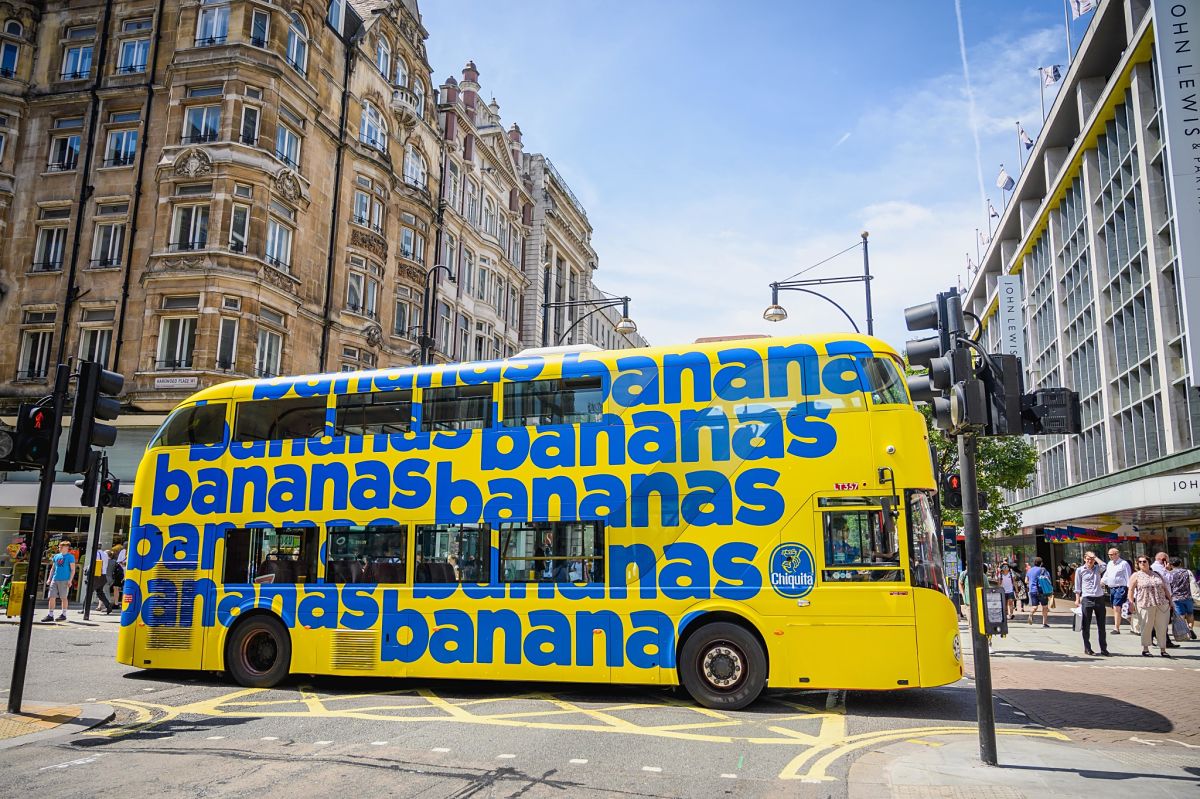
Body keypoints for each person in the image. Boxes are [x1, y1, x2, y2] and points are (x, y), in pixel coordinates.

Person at [1129, 555, 1172, 657]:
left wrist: (1170, 601)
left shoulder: (1156, 574)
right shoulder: (1136, 575)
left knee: (1162, 627)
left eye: (1144, 561)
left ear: (1149, 562)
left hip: (1161, 603)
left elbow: (1165, 588)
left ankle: (1163, 649)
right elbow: (1130, 590)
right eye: (1140, 562)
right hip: (1144, 604)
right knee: (1146, 626)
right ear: (1138, 564)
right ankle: (1145, 649)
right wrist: (1131, 602)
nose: (1142, 563)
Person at [1074, 551, 1110, 656]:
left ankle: (1104, 648)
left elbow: (1104, 565)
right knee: (1086, 625)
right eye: (1088, 559)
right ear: (1085, 559)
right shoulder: (1080, 570)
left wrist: (1095, 556)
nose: (1090, 561)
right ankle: (1087, 648)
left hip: (1099, 598)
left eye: (1092, 559)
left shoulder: (1097, 568)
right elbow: (1077, 586)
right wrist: (1077, 599)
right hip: (1087, 598)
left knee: (1101, 625)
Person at [43, 541, 76, 622]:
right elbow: (53, 568)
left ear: (67, 547)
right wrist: (49, 579)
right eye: (59, 546)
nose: (59, 548)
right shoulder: (56, 556)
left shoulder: (70, 557)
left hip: (64, 580)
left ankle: (64, 614)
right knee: (51, 597)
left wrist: (70, 580)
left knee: (63, 597)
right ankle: (50, 614)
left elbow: (73, 570)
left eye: (61, 546)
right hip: (55, 579)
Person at [1102, 547, 1132, 635]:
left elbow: (1128, 577)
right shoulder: (1110, 564)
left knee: (1117, 607)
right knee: (1120, 609)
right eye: (1109, 555)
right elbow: (1107, 575)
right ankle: (1135, 625)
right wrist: (1102, 582)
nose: (1110, 556)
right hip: (1112, 588)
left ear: (1117, 554)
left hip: (1121, 588)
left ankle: (1116, 628)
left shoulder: (1124, 564)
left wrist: (1130, 590)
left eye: (1112, 554)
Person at [1166, 557, 1196, 640]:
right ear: (1180, 564)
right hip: (1188, 596)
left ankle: (1184, 632)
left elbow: (1168, 585)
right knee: (1190, 613)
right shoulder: (1187, 572)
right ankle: (1190, 628)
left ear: (1171, 565)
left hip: (1176, 598)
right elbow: (1193, 582)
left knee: (1180, 616)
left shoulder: (1170, 574)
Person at [1026, 556, 1052, 627]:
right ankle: (1044, 623)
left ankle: (1031, 614)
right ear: (1041, 563)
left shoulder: (1029, 570)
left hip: (1032, 591)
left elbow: (1026, 581)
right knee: (1045, 607)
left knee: (1035, 606)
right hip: (1041, 590)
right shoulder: (1042, 570)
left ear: (1034, 563)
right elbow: (1048, 579)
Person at [93, 548, 114, 614]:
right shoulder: (106, 556)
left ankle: (84, 608)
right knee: (100, 593)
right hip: (104, 576)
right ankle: (108, 606)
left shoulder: (97, 554)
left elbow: (94, 564)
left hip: (97, 575)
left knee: (89, 592)